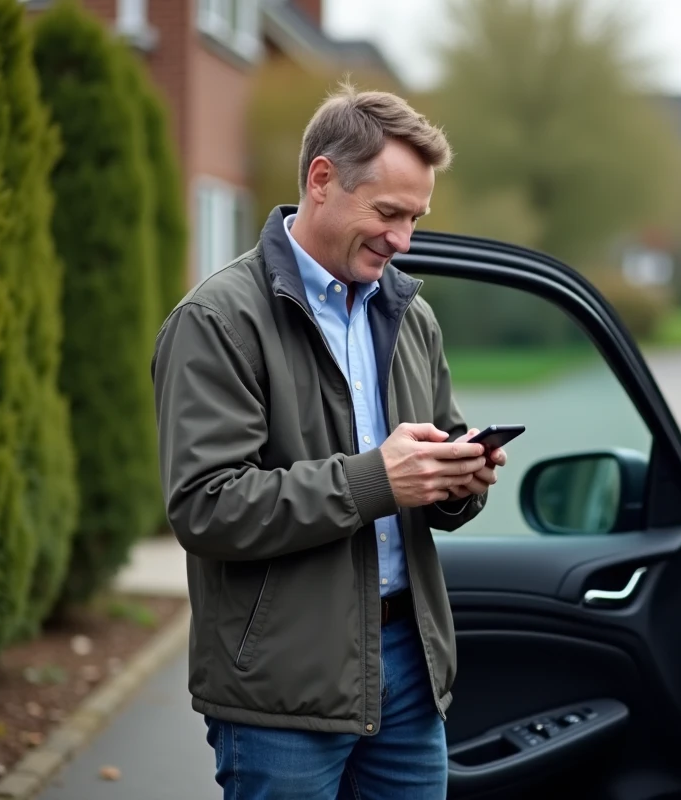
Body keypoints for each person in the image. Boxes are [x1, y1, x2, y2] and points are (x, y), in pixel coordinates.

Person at [151, 81, 505, 800]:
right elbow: (207, 507)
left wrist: (457, 481)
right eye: (388, 212)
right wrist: (379, 480)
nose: (403, 240)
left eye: (415, 218)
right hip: (282, 686)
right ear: (321, 181)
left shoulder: (411, 314)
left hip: (410, 667)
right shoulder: (217, 321)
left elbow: (423, 471)